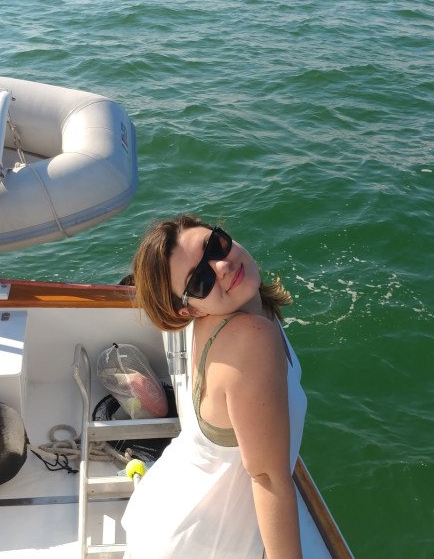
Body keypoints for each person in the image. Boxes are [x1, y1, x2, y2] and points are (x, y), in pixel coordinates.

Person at [121, 214, 307, 559]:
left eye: (215, 245)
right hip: (196, 544)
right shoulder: (252, 337)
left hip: (170, 509)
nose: (221, 266)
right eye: (200, 280)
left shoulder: (244, 309)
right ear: (188, 310)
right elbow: (267, 477)